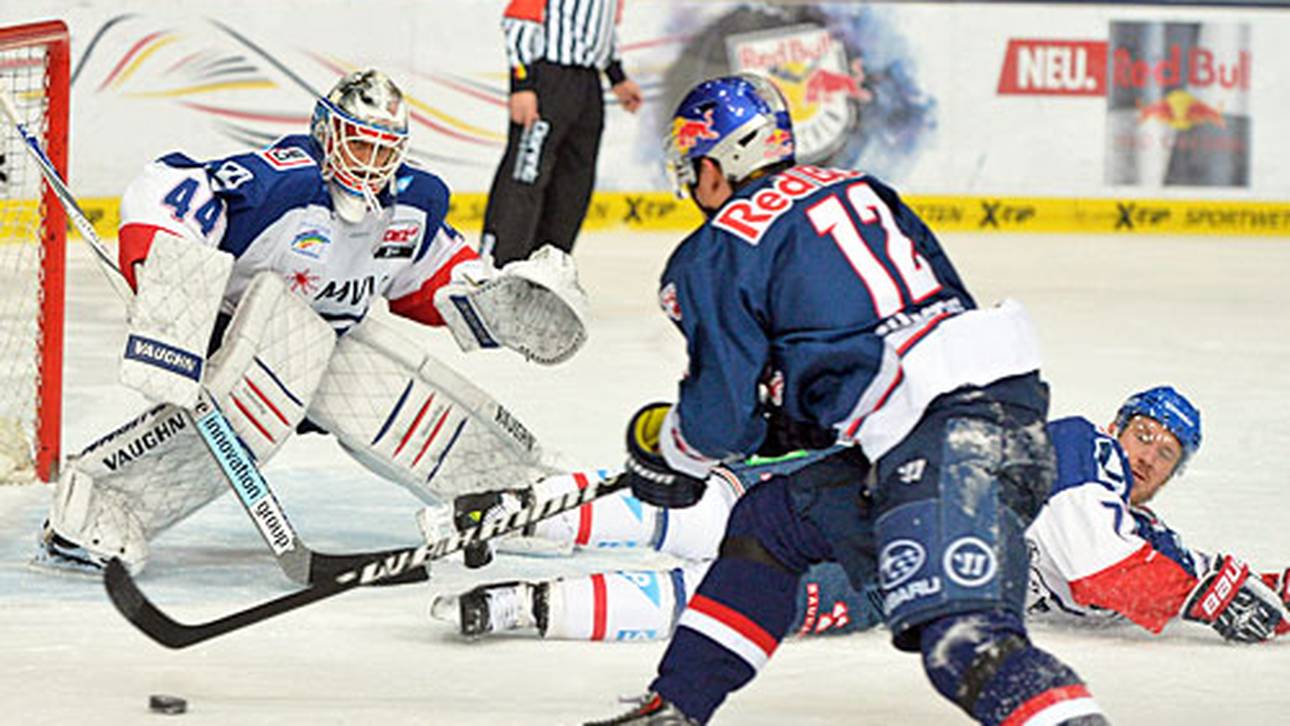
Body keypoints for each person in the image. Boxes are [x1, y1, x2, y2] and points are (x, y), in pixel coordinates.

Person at [567, 72, 1106, 726]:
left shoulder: (715, 250)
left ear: (715, 164)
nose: (691, 183)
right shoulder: (860, 188)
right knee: (772, 523)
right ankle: (677, 706)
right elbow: (923, 317)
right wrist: (792, 424)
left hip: (944, 436)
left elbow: (720, 423)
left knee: (964, 642)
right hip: (997, 411)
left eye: (694, 165)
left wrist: (670, 452)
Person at [33, 69, 586, 576]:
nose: (371, 162)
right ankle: (90, 514)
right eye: (360, 143)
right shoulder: (282, 184)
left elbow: (431, 276)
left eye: (385, 149)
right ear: (326, 131)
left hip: (328, 342)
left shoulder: (412, 202)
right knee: (253, 412)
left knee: (402, 405)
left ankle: (514, 498)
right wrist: (167, 281)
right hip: (236, 338)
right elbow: (168, 182)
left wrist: (493, 298)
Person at [435, 386, 1290, 646]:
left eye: (1166, 453)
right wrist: (1204, 597)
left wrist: (1254, 590)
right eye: (1144, 434)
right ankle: (515, 520)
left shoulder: (1146, 532)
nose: (1148, 455)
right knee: (712, 519)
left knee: (734, 583)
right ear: (1117, 427)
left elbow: (1176, 571)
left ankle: (520, 599)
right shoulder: (1079, 448)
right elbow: (1098, 565)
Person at [481, 0, 644, 266]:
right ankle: (499, 267)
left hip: (588, 82)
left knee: (574, 185)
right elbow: (520, 16)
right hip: (548, 76)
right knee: (526, 174)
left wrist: (617, 76)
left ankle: (548, 270)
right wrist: (522, 83)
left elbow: (603, 25)